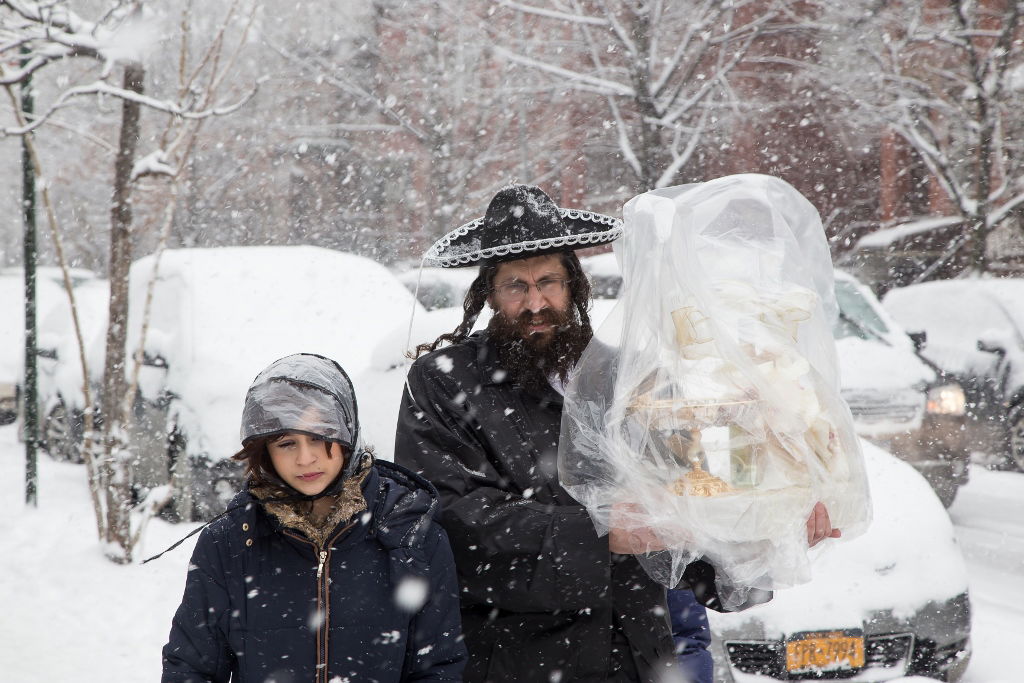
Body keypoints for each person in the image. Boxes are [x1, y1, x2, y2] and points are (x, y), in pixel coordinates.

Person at [395, 184, 841, 682]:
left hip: (633, 655)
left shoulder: (629, 375)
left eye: (549, 281)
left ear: (575, 285)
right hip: (513, 660)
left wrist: (768, 529)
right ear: (489, 294)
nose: (535, 302)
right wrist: (599, 535)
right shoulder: (445, 380)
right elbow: (453, 522)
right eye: (515, 286)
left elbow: (695, 495)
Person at [162, 353, 467, 682]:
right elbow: (192, 668)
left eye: (320, 437)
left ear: (347, 434)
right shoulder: (230, 542)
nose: (305, 458)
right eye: (287, 442)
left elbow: (438, 668)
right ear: (264, 450)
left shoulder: (410, 532)